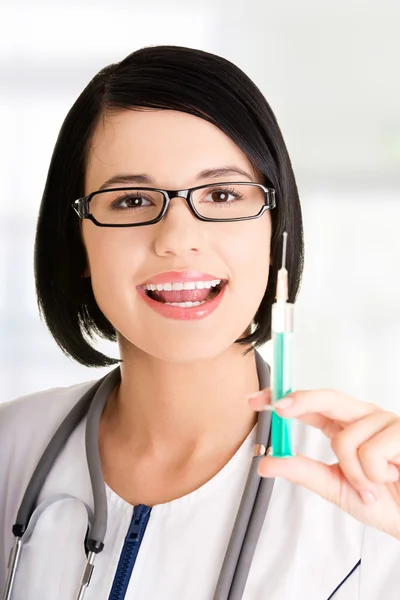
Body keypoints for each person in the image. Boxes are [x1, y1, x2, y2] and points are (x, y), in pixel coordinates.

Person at [0, 45, 399, 600]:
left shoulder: (373, 501)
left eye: (221, 194)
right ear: (81, 246)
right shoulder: (9, 452)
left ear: (275, 232)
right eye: (132, 200)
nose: (177, 238)